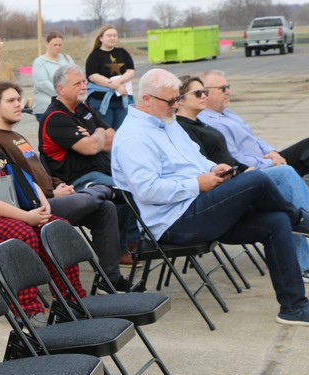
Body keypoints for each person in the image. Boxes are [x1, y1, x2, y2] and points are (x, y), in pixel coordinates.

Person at [112, 68, 309, 326]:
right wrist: (196, 184)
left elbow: (196, 158)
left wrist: (212, 169)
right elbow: (148, 190)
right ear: (147, 99)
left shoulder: (167, 123)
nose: (175, 105)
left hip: (198, 207)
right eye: (171, 101)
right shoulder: (133, 137)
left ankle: (294, 307)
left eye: (177, 99)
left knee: (275, 221)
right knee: (258, 179)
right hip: (174, 222)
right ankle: (301, 219)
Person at [0, 81, 131, 291]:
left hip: (51, 196)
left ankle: (110, 277)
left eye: (18, 100)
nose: (18, 104)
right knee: (91, 198)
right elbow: (13, 184)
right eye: (11, 101)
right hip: (32, 208)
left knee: (106, 209)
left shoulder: (18, 137)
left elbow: (41, 172)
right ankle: (106, 191)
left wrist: (60, 186)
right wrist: (53, 193)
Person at [0, 105, 83, 324]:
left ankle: (71, 298)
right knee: (23, 235)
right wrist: (27, 217)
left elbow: (23, 178)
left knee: (56, 228)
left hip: (13, 214)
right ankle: (26, 310)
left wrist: (43, 203)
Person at [176, 75, 309, 281]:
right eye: (199, 93)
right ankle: (302, 240)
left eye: (205, 91)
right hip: (225, 185)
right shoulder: (183, 128)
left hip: (240, 174)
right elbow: (199, 164)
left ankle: (301, 255)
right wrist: (241, 171)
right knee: (285, 174)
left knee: (288, 181)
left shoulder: (201, 122)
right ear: (180, 99)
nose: (204, 96)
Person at [40, 64, 136, 263]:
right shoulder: (55, 117)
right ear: (61, 89)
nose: (84, 86)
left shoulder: (83, 107)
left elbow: (112, 139)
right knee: (122, 190)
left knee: (136, 180)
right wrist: (98, 135)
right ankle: (119, 250)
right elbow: (91, 148)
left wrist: (94, 136)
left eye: (84, 81)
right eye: (78, 83)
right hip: (79, 181)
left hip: (101, 170)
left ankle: (134, 242)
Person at [198, 69, 309, 176]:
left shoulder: (226, 112)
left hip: (268, 158)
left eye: (228, 87)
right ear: (205, 92)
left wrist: (273, 153)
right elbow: (236, 158)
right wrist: (271, 162)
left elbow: (255, 138)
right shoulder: (211, 123)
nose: (228, 92)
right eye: (222, 88)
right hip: (259, 167)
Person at [85, 24, 135, 130]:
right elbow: (93, 76)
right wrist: (115, 86)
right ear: (101, 38)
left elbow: (130, 71)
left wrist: (118, 82)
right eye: (109, 35)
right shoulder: (94, 55)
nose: (112, 38)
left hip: (122, 101)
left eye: (114, 35)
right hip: (100, 101)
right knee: (106, 134)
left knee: (122, 132)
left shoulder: (122, 52)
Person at [32, 31, 74, 122]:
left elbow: (74, 75)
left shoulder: (67, 58)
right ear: (47, 44)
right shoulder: (39, 62)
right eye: (55, 45)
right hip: (47, 108)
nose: (57, 47)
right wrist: (64, 94)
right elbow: (42, 84)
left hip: (67, 107)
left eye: (60, 45)